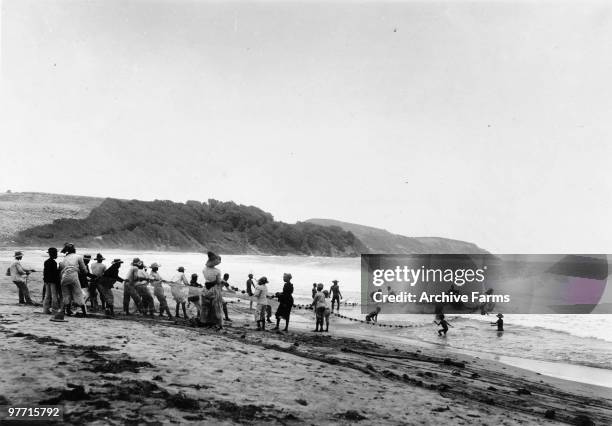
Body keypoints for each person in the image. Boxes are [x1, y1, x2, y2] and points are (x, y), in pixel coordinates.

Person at [58, 243, 88, 317]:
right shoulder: (79, 257)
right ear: (74, 250)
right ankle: (84, 313)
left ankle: (67, 312)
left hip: (64, 277)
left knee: (66, 294)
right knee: (78, 294)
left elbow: (61, 267)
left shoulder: (65, 258)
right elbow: (84, 269)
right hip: (73, 276)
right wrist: (84, 272)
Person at [201, 252, 224, 329]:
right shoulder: (217, 271)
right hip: (214, 289)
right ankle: (217, 323)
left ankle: (205, 321)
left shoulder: (204, 269)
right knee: (216, 307)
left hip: (205, 288)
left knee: (206, 306)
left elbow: (207, 279)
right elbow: (218, 282)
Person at [42, 248, 61, 314]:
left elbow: (45, 272)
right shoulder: (54, 263)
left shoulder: (46, 262)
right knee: (54, 296)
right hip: (53, 281)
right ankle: (54, 310)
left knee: (47, 296)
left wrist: (45, 280)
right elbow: (55, 274)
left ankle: (45, 310)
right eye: (56, 253)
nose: (57, 255)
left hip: (47, 281)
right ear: (54, 254)